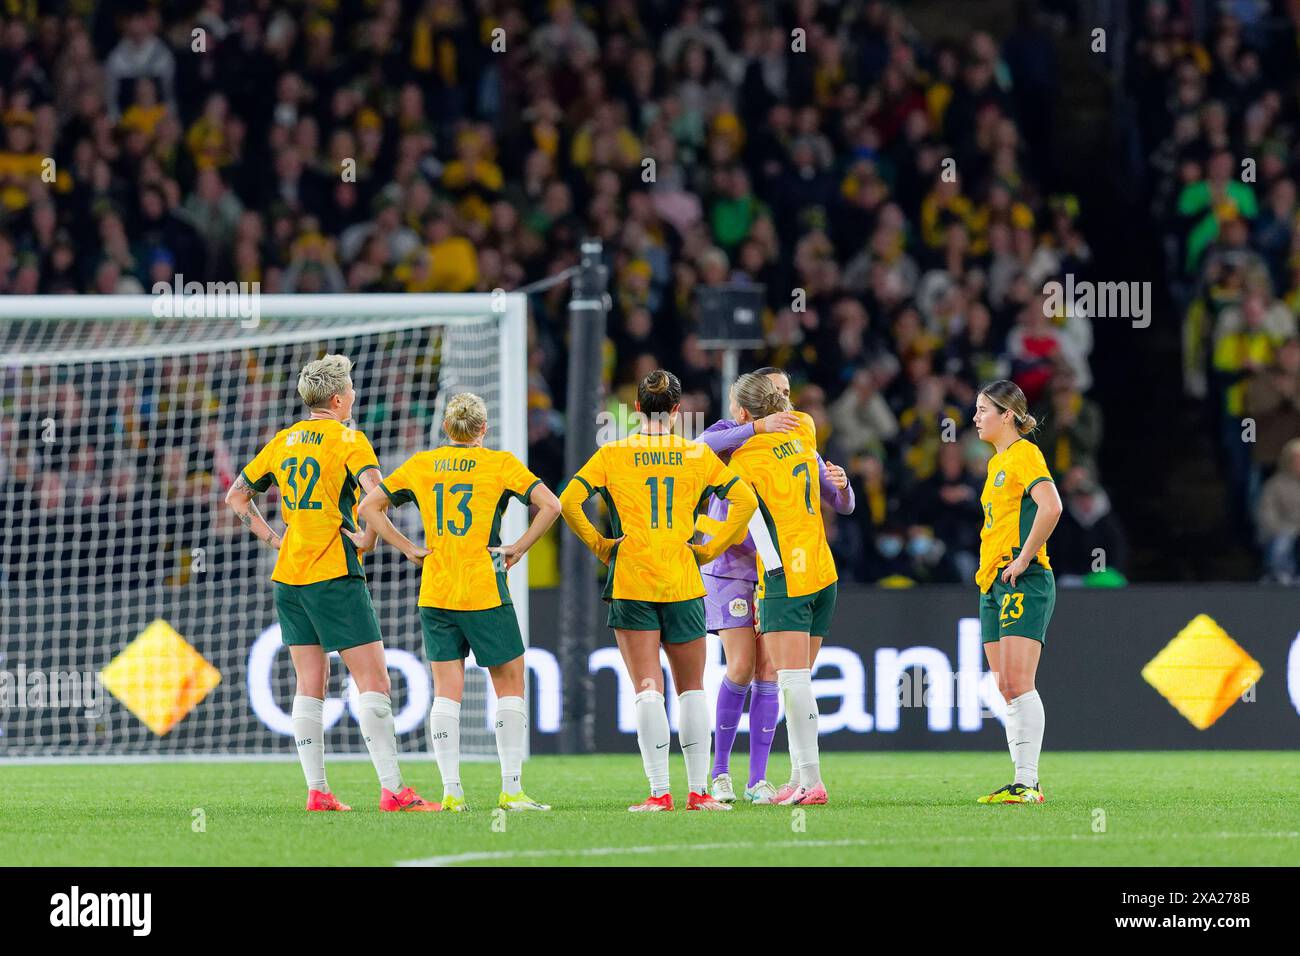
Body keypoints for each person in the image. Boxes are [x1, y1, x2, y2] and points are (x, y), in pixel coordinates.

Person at [226, 354, 438, 812]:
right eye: (353, 390)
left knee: (310, 683)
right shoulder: (349, 439)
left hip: (289, 577)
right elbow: (374, 500)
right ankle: (394, 790)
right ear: (339, 399)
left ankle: (318, 791)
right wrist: (391, 543)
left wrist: (274, 538)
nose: (355, 397)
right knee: (373, 680)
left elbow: (237, 495)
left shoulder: (282, 441)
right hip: (333, 572)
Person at [559, 369, 758, 811]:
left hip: (632, 579)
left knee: (648, 689)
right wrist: (712, 547)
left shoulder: (612, 453)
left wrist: (600, 546)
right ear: (675, 410)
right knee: (691, 690)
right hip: (683, 579)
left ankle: (658, 793)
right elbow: (744, 500)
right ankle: (699, 792)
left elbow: (568, 501)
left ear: (636, 409)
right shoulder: (695, 454)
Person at [358, 392, 561, 811]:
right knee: (509, 687)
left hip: (437, 591)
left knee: (446, 693)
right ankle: (511, 790)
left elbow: (369, 506)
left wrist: (408, 548)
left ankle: (452, 792)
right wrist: (519, 547)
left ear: (446, 430)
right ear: (482, 429)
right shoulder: (499, 463)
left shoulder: (422, 464)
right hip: (484, 588)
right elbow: (551, 505)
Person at [695, 367, 854, 804]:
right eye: (779, 394)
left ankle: (763, 779)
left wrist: (843, 488)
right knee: (743, 667)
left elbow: (839, 498)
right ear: (748, 407)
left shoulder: (787, 438)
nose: (788, 403)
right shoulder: (739, 434)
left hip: (778, 571)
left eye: (789, 392)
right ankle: (723, 772)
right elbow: (695, 450)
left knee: (776, 673)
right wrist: (755, 428)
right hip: (741, 570)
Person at [972, 379, 1063, 804]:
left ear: (1006, 415)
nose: (975, 418)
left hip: (1022, 578)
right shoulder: (997, 463)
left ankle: (1028, 781)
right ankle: (1022, 781)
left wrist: (1024, 557)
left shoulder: (1025, 454)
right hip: (993, 582)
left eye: (983, 410)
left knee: (1020, 682)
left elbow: (1052, 505)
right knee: (1006, 684)